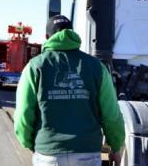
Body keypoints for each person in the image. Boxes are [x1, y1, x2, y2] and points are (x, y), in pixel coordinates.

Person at [14, 15, 125, 166]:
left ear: (47, 37)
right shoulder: (97, 67)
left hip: (48, 154)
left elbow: (23, 115)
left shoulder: (34, 67)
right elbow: (111, 114)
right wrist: (116, 146)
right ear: (72, 33)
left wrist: (31, 144)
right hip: (87, 152)